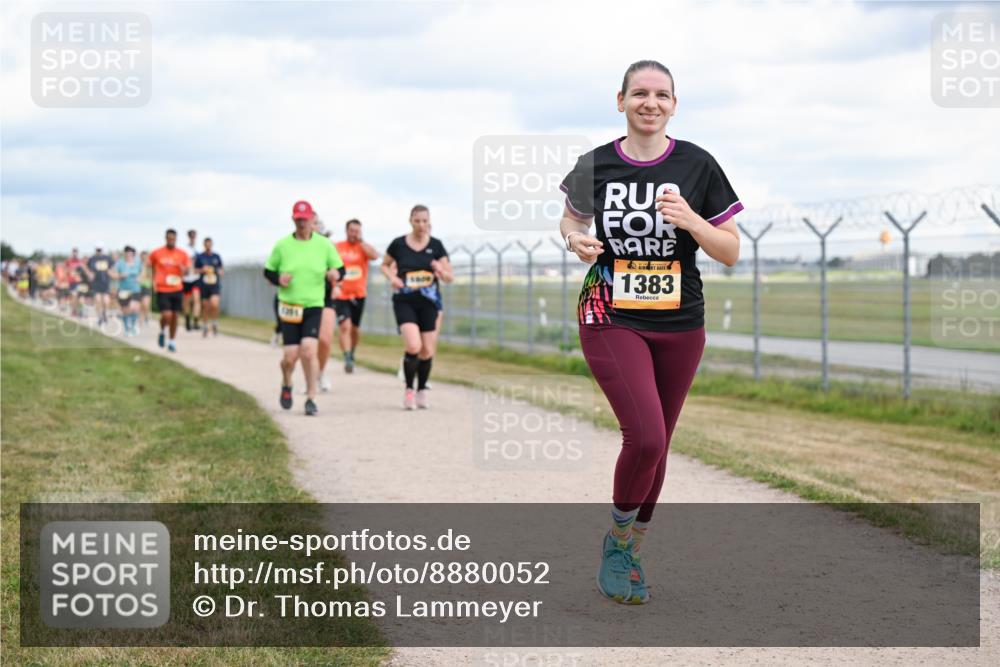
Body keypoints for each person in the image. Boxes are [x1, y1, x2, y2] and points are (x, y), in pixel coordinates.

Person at [560, 61, 742, 605]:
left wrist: (693, 221)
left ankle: (632, 548)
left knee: (659, 448)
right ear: (621, 101)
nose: (650, 102)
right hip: (610, 312)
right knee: (647, 436)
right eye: (640, 93)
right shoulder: (595, 165)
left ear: (674, 104)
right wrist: (575, 241)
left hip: (681, 322)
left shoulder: (698, 164)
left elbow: (729, 250)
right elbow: (571, 221)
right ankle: (617, 543)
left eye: (661, 94)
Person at [263, 200, 344, 416]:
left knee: (309, 350)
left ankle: (311, 397)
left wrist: (335, 274)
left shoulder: (324, 244)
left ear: (312, 220)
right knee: (290, 356)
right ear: (293, 219)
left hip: (313, 305)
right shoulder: (282, 245)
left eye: (305, 219)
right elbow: (268, 271)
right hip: (289, 305)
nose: (302, 223)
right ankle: (287, 383)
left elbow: (340, 268)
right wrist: (279, 278)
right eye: (298, 219)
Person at [381, 204, 453, 410]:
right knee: (414, 346)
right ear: (410, 221)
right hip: (405, 300)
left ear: (429, 222)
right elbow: (384, 265)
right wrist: (393, 278)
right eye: (417, 221)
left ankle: (422, 390)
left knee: (427, 350)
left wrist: (440, 270)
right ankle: (409, 390)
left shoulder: (437, 246)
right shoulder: (399, 244)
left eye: (425, 221)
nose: (421, 225)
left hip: (428, 302)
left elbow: (449, 277)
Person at [331, 219, 379, 375]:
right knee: (345, 326)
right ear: (346, 231)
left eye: (357, 231)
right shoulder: (338, 247)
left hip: (359, 294)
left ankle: (352, 351)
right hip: (341, 294)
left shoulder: (363, 248)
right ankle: (347, 358)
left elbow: (375, 256)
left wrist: (362, 241)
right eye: (352, 230)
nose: (354, 234)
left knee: (355, 329)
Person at [148, 229, 191, 352]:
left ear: (176, 239)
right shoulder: (157, 253)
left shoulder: (182, 254)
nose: (171, 240)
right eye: (169, 238)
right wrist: (152, 281)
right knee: (166, 315)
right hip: (162, 288)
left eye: (173, 238)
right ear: (166, 238)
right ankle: (162, 331)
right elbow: (147, 266)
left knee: (175, 316)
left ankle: (172, 341)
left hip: (177, 287)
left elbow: (188, 269)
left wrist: (184, 270)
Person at [194, 237, 224, 337]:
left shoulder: (216, 256)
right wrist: (202, 270)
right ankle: (206, 326)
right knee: (206, 307)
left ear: (212, 245)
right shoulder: (200, 257)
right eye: (206, 244)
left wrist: (219, 271)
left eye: (209, 244)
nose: (208, 246)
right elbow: (195, 270)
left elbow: (222, 270)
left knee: (214, 304)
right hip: (204, 285)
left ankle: (215, 323)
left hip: (214, 284)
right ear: (204, 245)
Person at [112, 246, 143, 336]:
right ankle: (127, 328)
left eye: (131, 254)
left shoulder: (138, 263)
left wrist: (139, 277)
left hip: (135, 289)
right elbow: (112, 273)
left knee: (135, 308)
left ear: (133, 254)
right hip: (123, 290)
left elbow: (142, 271)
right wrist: (120, 275)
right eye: (127, 253)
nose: (128, 256)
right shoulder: (120, 263)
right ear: (124, 254)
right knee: (126, 311)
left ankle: (133, 326)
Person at [86, 243, 113, 326]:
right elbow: (88, 269)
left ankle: (104, 314)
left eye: (100, 250)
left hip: (105, 282)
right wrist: (90, 275)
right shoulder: (92, 259)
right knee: (98, 300)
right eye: (97, 250)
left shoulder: (107, 258)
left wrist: (112, 275)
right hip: (96, 283)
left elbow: (112, 268)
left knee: (106, 301)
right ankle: (100, 317)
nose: (99, 251)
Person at [182, 229, 202, 331]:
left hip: (196, 278)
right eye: (191, 236)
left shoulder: (198, 249)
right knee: (187, 301)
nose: (192, 237)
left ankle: (195, 321)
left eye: (194, 236)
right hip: (186, 279)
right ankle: (187, 319)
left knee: (196, 299)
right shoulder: (184, 250)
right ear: (188, 236)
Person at [138, 250, 153, 324]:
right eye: (143, 257)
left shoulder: (150, 266)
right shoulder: (138, 265)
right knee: (141, 304)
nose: (144, 258)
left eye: (146, 257)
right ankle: (141, 319)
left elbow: (151, 277)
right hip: (138, 287)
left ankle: (146, 316)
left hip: (147, 286)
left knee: (146, 304)